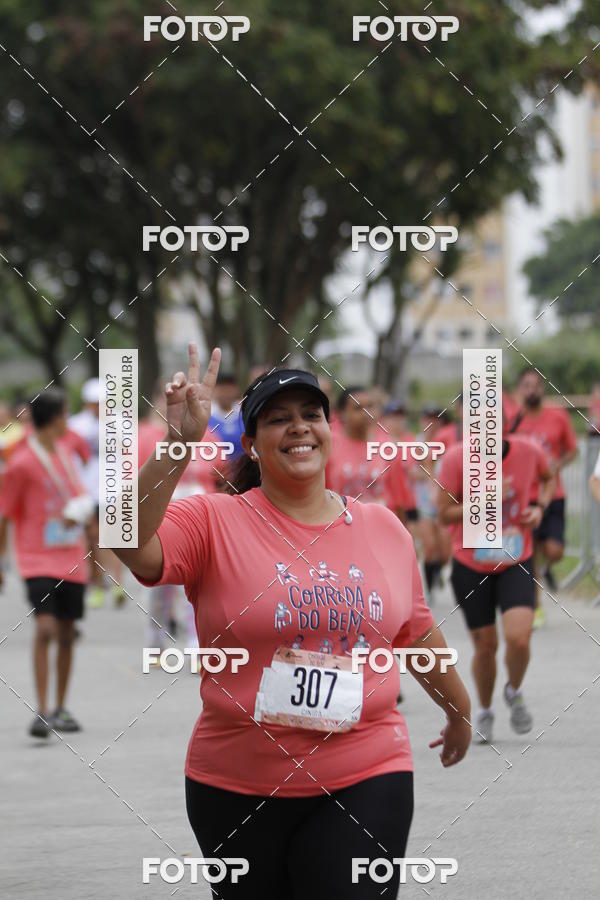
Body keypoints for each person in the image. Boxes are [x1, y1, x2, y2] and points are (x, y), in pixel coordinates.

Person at [113, 345, 471, 899]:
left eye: (310, 415)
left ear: (328, 430)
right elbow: (126, 542)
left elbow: (416, 630)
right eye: (278, 419)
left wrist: (460, 709)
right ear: (251, 445)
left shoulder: (382, 528)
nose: (298, 428)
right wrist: (177, 446)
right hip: (235, 784)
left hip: (367, 770)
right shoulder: (213, 520)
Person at [437, 419, 555, 744]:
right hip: (471, 563)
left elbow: (549, 477)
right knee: (485, 647)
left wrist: (540, 508)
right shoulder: (454, 460)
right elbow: (443, 513)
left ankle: (513, 691)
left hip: (516, 557)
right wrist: (482, 500)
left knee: (519, 639)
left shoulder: (529, 452)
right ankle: (486, 711)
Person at [0, 389, 91, 737]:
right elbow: (6, 515)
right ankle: (42, 710)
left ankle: (61, 707)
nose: (68, 420)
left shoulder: (68, 452)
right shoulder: (21, 463)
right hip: (36, 559)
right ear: (55, 419)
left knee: (67, 634)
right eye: (66, 414)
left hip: (72, 558)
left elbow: (81, 496)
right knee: (46, 629)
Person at [509, 368, 578, 625]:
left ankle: (549, 568)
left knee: (554, 550)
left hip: (553, 493)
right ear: (520, 390)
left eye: (536, 385)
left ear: (543, 389)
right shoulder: (513, 420)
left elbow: (572, 451)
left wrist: (557, 464)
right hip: (525, 496)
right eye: (526, 385)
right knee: (530, 554)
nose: (531, 390)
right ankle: (536, 608)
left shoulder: (558, 417)